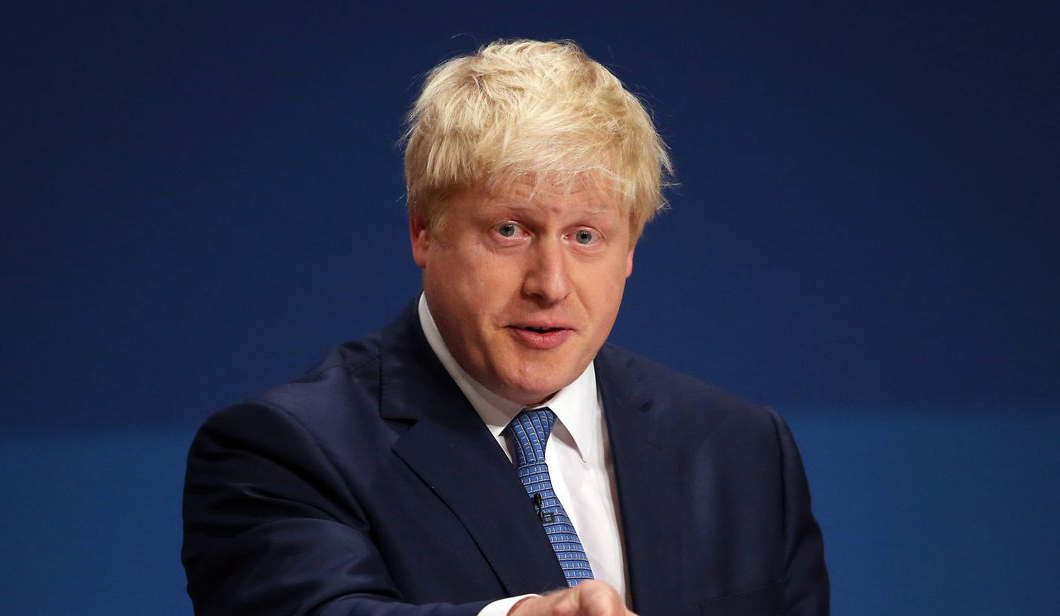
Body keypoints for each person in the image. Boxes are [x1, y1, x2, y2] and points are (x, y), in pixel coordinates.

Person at [182, 39, 829, 616]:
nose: (549, 282)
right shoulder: (284, 451)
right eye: (509, 230)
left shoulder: (741, 452)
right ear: (423, 231)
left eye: (585, 236)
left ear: (629, 249)